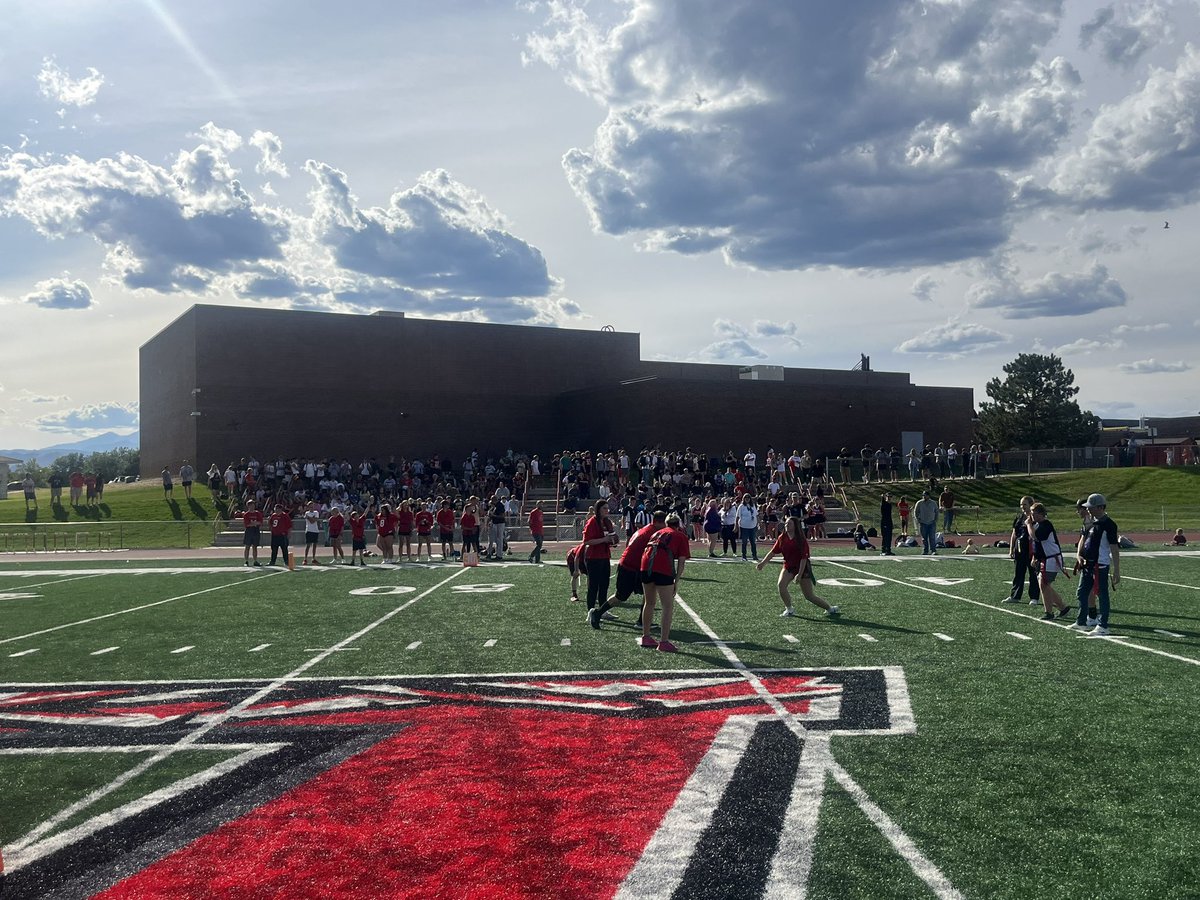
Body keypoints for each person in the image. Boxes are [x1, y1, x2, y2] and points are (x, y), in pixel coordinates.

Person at [589, 509, 667, 630]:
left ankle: (642, 620)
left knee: (649, 592)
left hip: (632, 566)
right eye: (664, 524)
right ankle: (597, 613)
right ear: (658, 523)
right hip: (630, 567)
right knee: (621, 596)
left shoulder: (647, 529)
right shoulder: (652, 533)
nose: (665, 527)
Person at [757, 515, 839, 619]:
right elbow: (773, 552)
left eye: (789, 523)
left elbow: (804, 559)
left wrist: (799, 575)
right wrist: (762, 563)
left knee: (809, 596)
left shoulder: (801, 540)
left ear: (795, 526)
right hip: (788, 567)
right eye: (786, 523)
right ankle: (789, 609)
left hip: (802, 568)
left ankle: (830, 608)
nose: (786, 525)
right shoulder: (782, 537)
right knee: (781, 586)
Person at [637, 512, 690, 652]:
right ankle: (664, 641)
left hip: (645, 565)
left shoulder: (657, 533)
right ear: (678, 525)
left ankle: (646, 636)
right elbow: (682, 562)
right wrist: (676, 581)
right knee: (667, 606)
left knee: (649, 602)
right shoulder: (680, 536)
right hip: (662, 567)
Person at [1069, 493, 1120, 636]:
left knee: (1102, 594)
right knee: (1082, 592)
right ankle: (1081, 621)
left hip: (1100, 564)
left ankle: (1103, 625)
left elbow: (1114, 548)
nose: (1088, 510)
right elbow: (1085, 541)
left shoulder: (1108, 524)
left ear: (1100, 507)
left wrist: (1117, 570)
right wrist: (1080, 556)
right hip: (1087, 564)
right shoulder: (1091, 523)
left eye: (1091, 507)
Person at [1027, 503, 1070, 620]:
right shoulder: (1037, 525)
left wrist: (1028, 525)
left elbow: (1035, 537)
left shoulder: (1046, 525)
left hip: (1051, 558)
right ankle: (1062, 607)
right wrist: (1034, 557)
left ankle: (1049, 612)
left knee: (1044, 583)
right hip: (1044, 558)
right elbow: (1036, 544)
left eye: (1033, 513)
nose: (1031, 515)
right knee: (1044, 584)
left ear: (1040, 514)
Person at [581, 499, 618, 613]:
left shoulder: (607, 521)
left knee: (604, 585)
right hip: (593, 558)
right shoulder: (592, 522)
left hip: (605, 556)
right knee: (593, 587)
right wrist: (604, 539)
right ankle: (591, 611)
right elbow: (586, 541)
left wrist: (612, 541)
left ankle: (602, 611)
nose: (607, 510)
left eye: (608, 508)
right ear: (598, 509)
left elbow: (609, 537)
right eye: (604, 508)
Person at [1002, 497, 1040, 605]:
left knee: (1033, 574)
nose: (1023, 507)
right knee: (1018, 574)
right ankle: (1015, 596)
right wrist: (1011, 549)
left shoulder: (1035, 518)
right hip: (1019, 550)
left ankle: (1034, 597)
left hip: (1031, 550)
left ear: (1031, 505)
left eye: (1025, 504)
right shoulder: (1019, 517)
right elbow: (1014, 534)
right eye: (1021, 505)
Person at [913, 491, 939, 555]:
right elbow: (916, 512)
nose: (924, 497)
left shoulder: (933, 503)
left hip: (931, 522)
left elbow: (936, 511)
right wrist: (918, 519)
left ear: (928, 496)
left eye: (925, 495)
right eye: (923, 495)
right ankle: (925, 550)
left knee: (932, 537)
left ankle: (933, 550)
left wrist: (935, 519)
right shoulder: (919, 503)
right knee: (924, 538)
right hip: (923, 523)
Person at [267, 503, 292, 567]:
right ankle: (272, 561)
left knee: (284, 549)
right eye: (276, 508)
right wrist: (271, 530)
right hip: (275, 535)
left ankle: (286, 561)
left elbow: (289, 526)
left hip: (282, 535)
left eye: (278, 509)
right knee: (274, 549)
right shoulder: (273, 515)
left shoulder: (285, 515)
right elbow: (270, 524)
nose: (276, 510)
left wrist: (289, 534)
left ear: (281, 509)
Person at [736, 495, 759, 560]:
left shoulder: (753, 505)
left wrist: (758, 523)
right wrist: (736, 526)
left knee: (753, 542)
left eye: (748, 497)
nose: (747, 499)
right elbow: (737, 517)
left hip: (752, 526)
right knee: (744, 542)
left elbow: (756, 515)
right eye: (745, 498)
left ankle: (754, 555)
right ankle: (744, 555)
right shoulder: (741, 506)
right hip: (744, 527)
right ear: (743, 498)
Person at [241, 499, 263, 566]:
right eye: (250, 505)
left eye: (253, 505)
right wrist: (254, 523)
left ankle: (255, 560)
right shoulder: (246, 514)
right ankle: (246, 561)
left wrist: (253, 523)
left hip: (256, 530)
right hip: (249, 531)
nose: (252, 506)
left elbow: (260, 522)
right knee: (247, 546)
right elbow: (247, 524)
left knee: (255, 546)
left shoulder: (257, 513)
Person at [302, 500, 321, 565]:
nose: (311, 508)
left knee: (314, 545)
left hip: (315, 530)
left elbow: (314, 520)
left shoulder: (316, 512)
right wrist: (311, 518)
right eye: (310, 507)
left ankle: (313, 558)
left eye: (312, 507)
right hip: (309, 530)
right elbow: (312, 520)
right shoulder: (307, 513)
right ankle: (305, 559)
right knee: (308, 545)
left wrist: (309, 518)